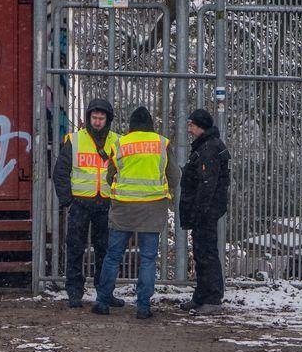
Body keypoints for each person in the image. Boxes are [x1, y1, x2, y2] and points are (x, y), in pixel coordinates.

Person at [95, 106, 177, 319]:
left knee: (113, 257)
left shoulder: (120, 144)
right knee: (148, 258)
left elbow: (109, 176)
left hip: (123, 208)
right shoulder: (162, 143)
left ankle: (103, 301)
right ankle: (143, 307)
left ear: (131, 126)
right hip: (152, 208)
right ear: (151, 125)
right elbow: (175, 176)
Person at [51, 98, 117, 308]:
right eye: (94, 118)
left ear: (108, 120)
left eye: (101, 118)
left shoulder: (117, 141)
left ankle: (105, 293)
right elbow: (60, 172)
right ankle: (74, 292)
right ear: (88, 118)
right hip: (80, 203)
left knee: (104, 251)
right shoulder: (75, 139)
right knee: (75, 248)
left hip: (106, 204)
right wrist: (67, 200)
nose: (97, 122)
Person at [177, 108, 231, 315]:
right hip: (205, 210)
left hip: (205, 211)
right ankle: (202, 295)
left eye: (192, 125)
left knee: (206, 253)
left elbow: (207, 184)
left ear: (201, 126)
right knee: (201, 252)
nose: (189, 129)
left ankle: (212, 297)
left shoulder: (208, 149)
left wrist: (199, 211)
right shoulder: (207, 146)